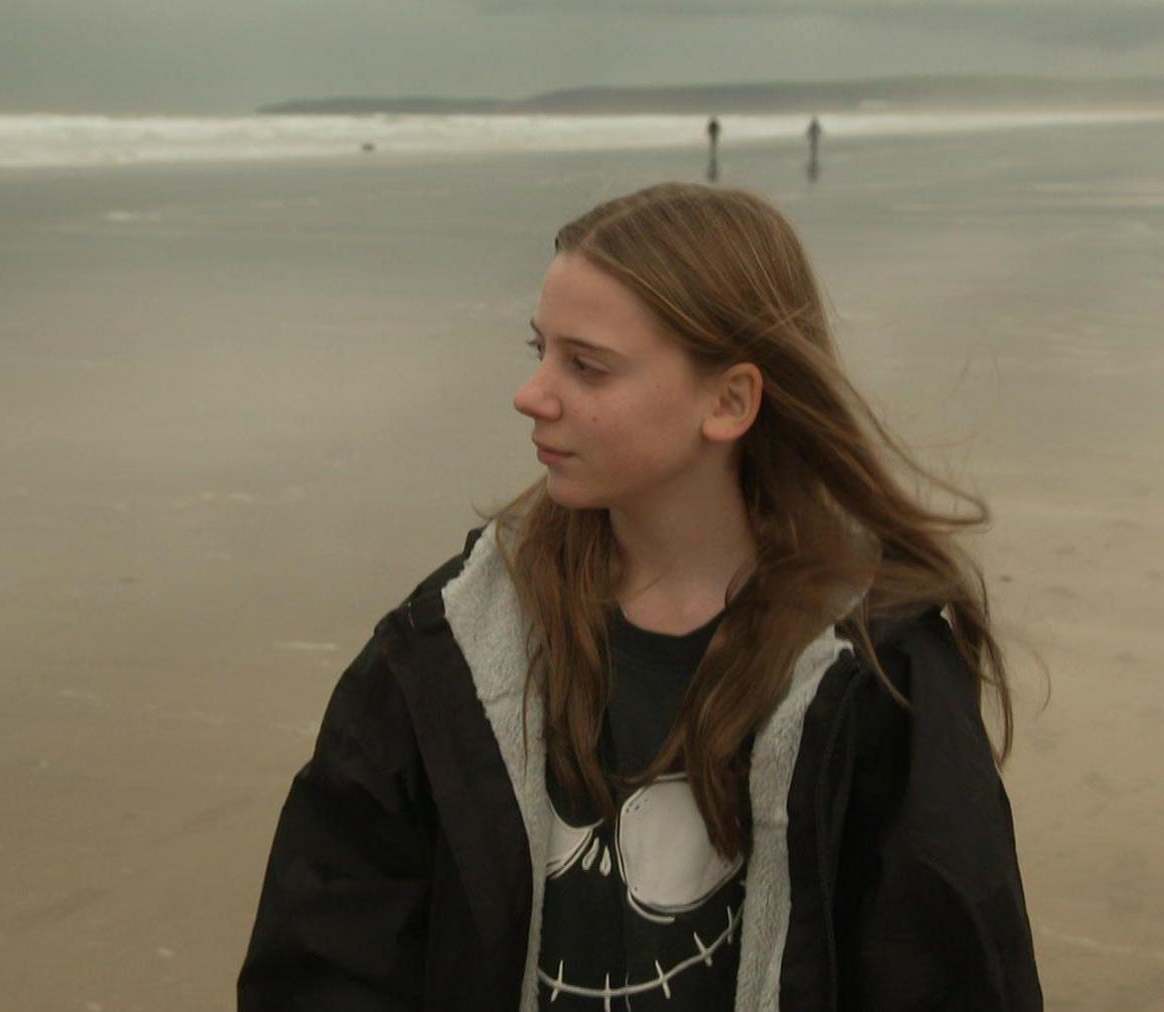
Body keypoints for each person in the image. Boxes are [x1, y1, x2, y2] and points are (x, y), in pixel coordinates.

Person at [237, 182, 1042, 1010]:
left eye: (585, 365)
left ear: (729, 401)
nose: (533, 394)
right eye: (538, 350)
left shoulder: (877, 675)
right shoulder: (453, 648)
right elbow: (325, 958)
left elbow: (955, 972)